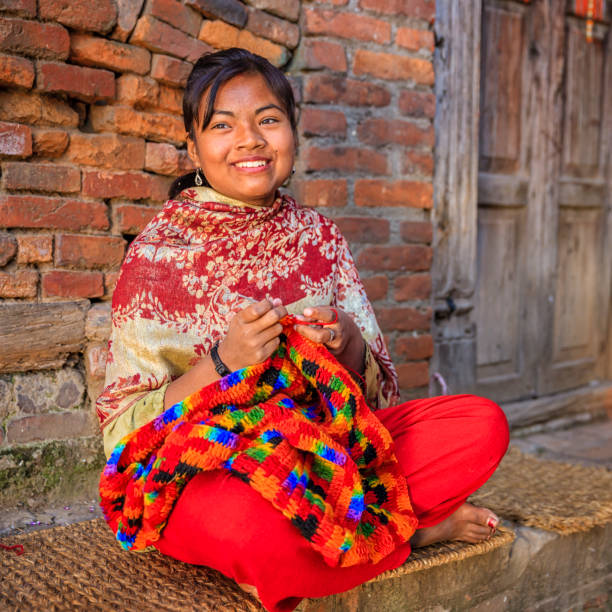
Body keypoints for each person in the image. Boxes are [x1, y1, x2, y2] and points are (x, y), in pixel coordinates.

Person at [97, 48, 509, 612]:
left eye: (268, 119)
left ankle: (323, 548)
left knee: (480, 425)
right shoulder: (156, 258)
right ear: (193, 148)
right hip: (218, 475)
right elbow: (123, 437)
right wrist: (222, 364)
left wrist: (348, 341)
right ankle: (409, 534)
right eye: (223, 125)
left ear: (292, 132)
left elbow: (372, 400)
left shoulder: (319, 238)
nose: (249, 139)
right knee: (250, 526)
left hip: (324, 457)